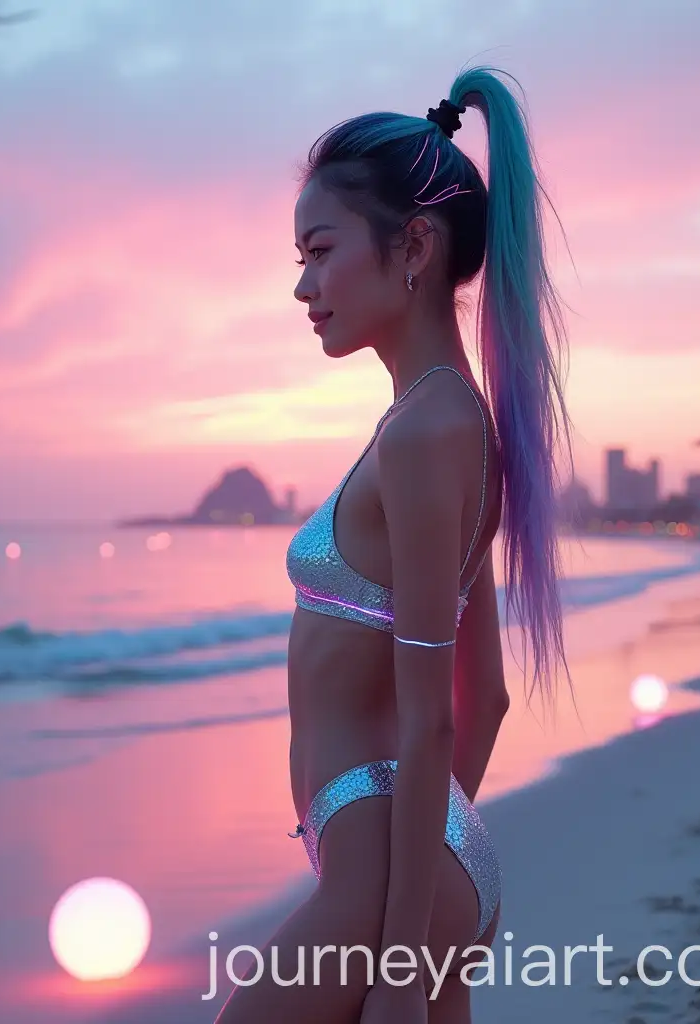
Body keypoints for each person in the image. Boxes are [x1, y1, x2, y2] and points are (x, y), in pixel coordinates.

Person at [214, 64, 573, 1024]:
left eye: (319, 251)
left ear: (412, 245)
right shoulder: (453, 424)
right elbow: (486, 694)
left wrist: (398, 950)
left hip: (382, 893)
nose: (303, 285)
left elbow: (439, 717)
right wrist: (434, 863)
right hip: (407, 870)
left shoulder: (424, 436)